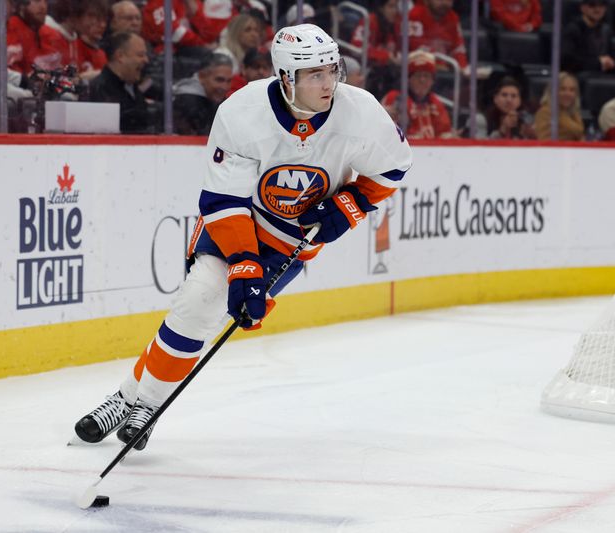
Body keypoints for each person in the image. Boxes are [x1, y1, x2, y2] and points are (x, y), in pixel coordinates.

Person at [73, 23, 412, 453]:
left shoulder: (359, 112)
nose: (329, 83)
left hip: (293, 240)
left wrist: (347, 207)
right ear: (286, 77)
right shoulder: (243, 110)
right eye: (315, 74)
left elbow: (394, 166)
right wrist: (244, 265)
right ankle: (140, 403)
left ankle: (131, 398)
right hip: (239, 221)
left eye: (332, 70)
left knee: (208, 315)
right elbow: (223, 199)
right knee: (198, 299)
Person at [89, 32, 158, 133]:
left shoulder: (133, 86)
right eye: (140, 55)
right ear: (120, 56)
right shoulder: (99, 89)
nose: (146, 60)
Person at [381, 50, 454, 139]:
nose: (422, 80)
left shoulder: (436, 103)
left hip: (431, 152)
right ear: (408, 79)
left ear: (433, 81)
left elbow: (444, 133)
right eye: (418, 75)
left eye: (426, 76)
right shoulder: (393, 98)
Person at [172, 52, 233, 135]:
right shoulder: (187, 103)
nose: (225, 87)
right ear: (201, 76)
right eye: (219, 80)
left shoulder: (215, 98)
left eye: (229, 81)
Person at [352, 0, 401, 96]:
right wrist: (385, 56)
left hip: (384, 68)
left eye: (396, 7)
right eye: (391, 7)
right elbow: (357, 47)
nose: (394, 11)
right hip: (365, 67)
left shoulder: (394, 24)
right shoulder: (369, 20)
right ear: (381, 8)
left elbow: (395, 51)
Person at [408, 0, 468, 71]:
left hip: (444, 72)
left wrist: (462, 67)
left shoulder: (453, 17)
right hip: (417, 71)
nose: (444, 3)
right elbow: (416, 50)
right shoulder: (414, 15)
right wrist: (441, 65)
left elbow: (458, 48)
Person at [561, 0, 615, 74]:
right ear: (583, 8)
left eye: (601, 5)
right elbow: (567, 61)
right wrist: (598, 63)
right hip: (578, 77)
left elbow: (613, 57)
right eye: (592, 5)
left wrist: (611, 63)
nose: (597, 9)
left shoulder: (606, 31)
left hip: (601, 76)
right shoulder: (572, 30)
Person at [7, 0, 62, 75]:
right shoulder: (10, 28)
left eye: (45, 1)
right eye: (37, 1)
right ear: (22, 4)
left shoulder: (49, 32)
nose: (43, 7)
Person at [533, 72, 585, 141]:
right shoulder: (545, 112)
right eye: (562, 89)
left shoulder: (574, 114)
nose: (568, 94)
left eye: (572, 90)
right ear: (552, 91)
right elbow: (544, 141)